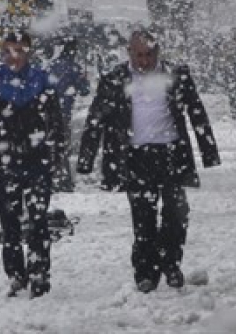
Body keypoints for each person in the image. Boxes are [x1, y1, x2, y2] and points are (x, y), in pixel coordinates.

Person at [76, 28, 221, 293]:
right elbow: (96, 118)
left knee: (176, 215)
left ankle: (171, 262)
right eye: (138, 55)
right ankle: (146, 273)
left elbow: (196, 112)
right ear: (129, 53)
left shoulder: (176, 76)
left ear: (158, 53)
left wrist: (208, 151)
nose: (143, 62)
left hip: (171, 154)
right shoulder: (115, 79)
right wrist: (86, 159)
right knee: (143, 217)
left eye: (148, 55)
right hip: (134, 157)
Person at [0, 31, 65, 298]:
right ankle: (15, 273)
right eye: (8, 51)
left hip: (37, 161)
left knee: (38, 219)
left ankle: (39, 272)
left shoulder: (41, 79)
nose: (14, 57)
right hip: (7, 161)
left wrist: (54, 154)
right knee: (10, 221)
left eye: (19, 51)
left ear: (28, 52)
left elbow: (56, 121)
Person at [47, 36, 90, 192]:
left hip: (48, 111)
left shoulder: (52, 66)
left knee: (50, 145)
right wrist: (85, 81)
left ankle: (50, 178)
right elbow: (85, 91)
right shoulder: (74, 68)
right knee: (62, 146)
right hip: (63, 112)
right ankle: (63, 180)